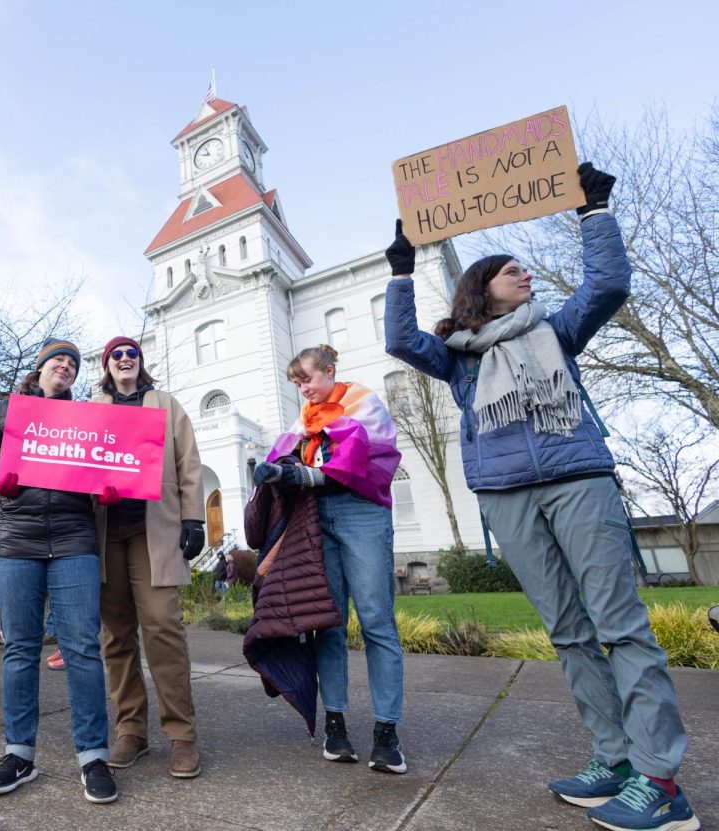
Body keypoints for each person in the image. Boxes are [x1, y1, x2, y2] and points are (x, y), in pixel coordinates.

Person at [384, 162, 699, 831]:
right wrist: (401, 273)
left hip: (577, 481)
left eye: (526, 270)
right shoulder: (457, 354)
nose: (525, 275)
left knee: (620, 626)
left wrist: (593, 212)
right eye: (510, 270)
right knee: (569, 632)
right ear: (481, 288)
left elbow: (608, 283)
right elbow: (399, 340)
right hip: (505, 495)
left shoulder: (554, 331)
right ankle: (613, 759)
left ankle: (661, 781)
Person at [0, 339, 117, 804]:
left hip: (74, 539)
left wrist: (110, 488)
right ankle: (18, 754)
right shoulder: (5, 411)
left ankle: (93, 756)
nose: (66, 366)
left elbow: (110, 465)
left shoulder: (91, 419)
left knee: (82, 649)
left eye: (74, 363)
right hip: (16, 540)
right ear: (39, 369)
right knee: (20, 649)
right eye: (58, 358)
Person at [253, 344, 406, 774]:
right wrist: (280, 470)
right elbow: (283, 455)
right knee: (330, 623)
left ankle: (387, 733)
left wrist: (309, 472)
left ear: (329, 371)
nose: (304, 390)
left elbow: (370, 455)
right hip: (317, 516)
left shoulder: (360, 402)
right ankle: (335, 726)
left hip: (362, 513)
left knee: (377, 621)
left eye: (308, 379)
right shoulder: (303, 420)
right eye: (298, 384)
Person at [93, 335, 206, 778]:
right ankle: (131, 731)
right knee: (116, 635)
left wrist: (193, 518)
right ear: (107, 365)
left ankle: (182, 735)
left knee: (162, 626)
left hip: (152, 528)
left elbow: (188, 463)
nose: (125, 360)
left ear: (141, 363)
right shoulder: (92, 407)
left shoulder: (165, 404)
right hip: (105, 531)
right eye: (116, 355)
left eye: (132, 354)